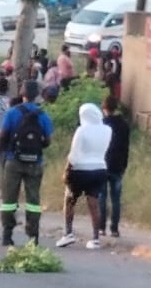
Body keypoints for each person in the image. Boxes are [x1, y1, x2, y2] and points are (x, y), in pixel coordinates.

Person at [0, 80, 54, 247]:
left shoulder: (12, 113)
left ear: (22, 93)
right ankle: (33, 235)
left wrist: (7, 151)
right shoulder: (43, 115)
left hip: (13, 159)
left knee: (9, 199)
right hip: (35, 162)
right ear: (36, 95)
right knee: (33, 200)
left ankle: (7, 234)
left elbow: (3, 136)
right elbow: (48, 140)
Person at [56, 103, 112, 250]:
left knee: (70, 200)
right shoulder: (107, 130)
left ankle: (68, 233)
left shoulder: (81, 130)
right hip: (100, 168)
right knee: (94, 203)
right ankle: (95, 238)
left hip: (80, 170)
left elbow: (74, 153)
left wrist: (67, 170)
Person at [99, 95, 130, 237]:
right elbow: (126, 147)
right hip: (118, 165)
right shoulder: (123, 125)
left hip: (102, 164)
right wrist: (124, 164)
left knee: (102, 197)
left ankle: (101, 227)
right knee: (116, 199)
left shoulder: (101, 124)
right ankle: (115, 228)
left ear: (104, 109)